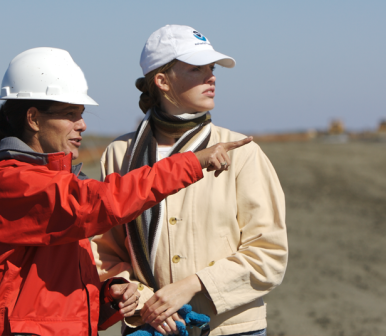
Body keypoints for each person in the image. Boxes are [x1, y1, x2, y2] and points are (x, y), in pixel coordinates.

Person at [0, 47, 252, 336]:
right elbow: (100, 203)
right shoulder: (9, 184)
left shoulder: (52, 184)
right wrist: (193, 161)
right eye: (70, 114)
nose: (82, 125)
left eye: (80, 114)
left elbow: (52, 288)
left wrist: (107, 295)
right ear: (33, 118)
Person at [91, 25, 288, 336]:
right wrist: (142, 300)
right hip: (148, 327)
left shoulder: (243, 153)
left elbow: (269, 253)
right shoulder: (120, 155)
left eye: (211, 68)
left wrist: (190, 287)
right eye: (197, 68)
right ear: (162, 80)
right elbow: (104, 250)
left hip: (231, 329)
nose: (212, 77)